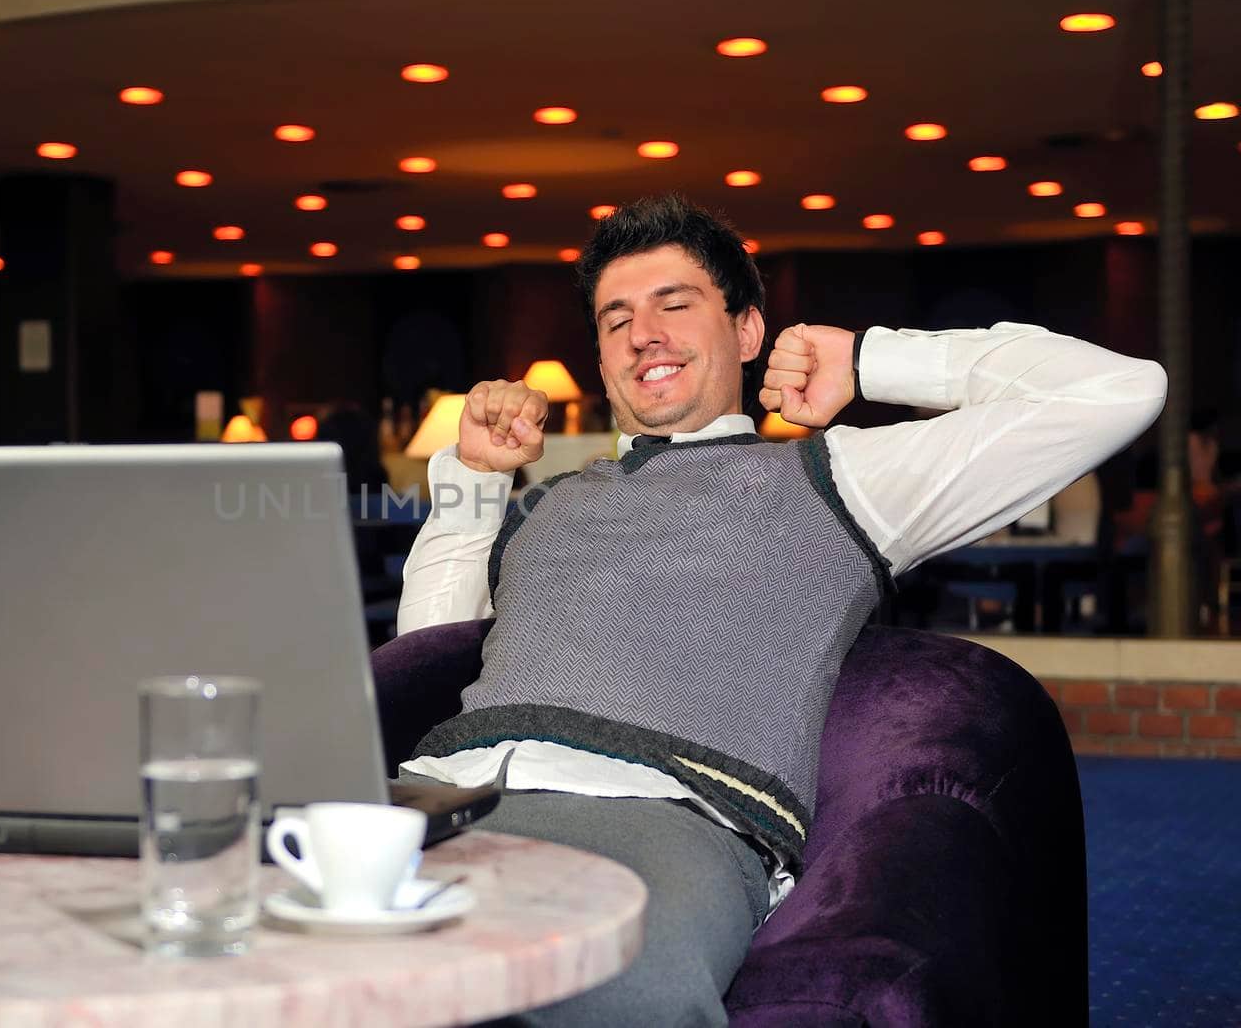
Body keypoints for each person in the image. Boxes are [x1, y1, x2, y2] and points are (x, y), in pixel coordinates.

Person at [393, 195, 1166, 1026]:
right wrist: (473, 478)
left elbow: (1122, 390)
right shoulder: (545, 503)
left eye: (674, 304)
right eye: (615, 318)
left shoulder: (834, 480)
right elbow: (426, 652)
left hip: (659, 815)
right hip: (440, 797)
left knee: (605, 993)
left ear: (749, 331)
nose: (641, 333)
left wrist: (871, 361)